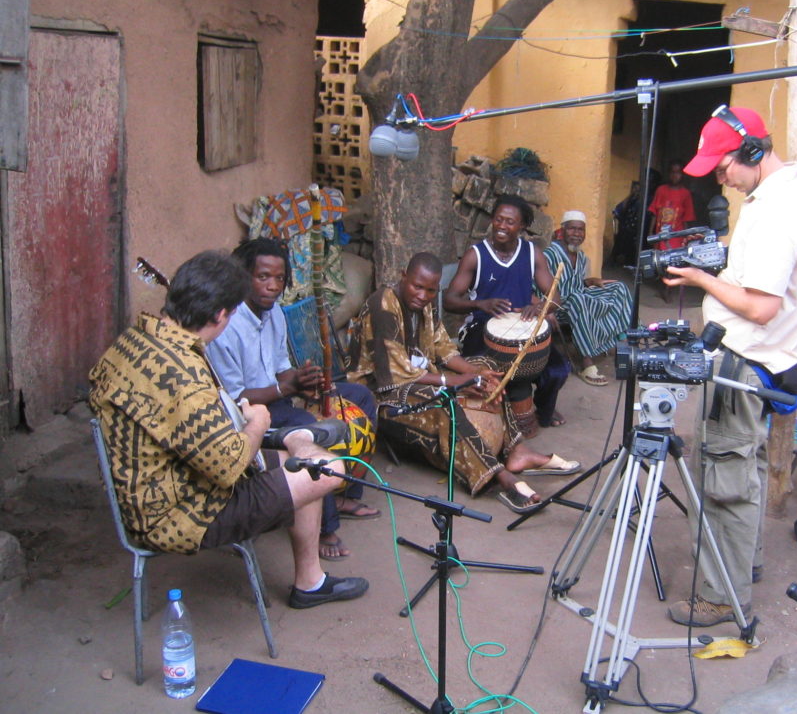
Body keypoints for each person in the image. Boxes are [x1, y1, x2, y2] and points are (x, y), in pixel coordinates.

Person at [89, 251, 368, 608]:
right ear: (221, 314)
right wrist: (258, 423)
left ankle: (310, 582)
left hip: (150, 488)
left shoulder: (132, 342)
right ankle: (300, 442)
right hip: (178, 514)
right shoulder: (184, 375)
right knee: (325, 468)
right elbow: (228, 468)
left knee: (300, 459)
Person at [661, 106, 797, 627]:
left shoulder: (777, 211)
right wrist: (713, 260)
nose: (720, 178)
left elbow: (761, 307)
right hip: (755, 359)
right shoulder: (770, 197)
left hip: (744, 364)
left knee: (724, 482)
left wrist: (701, 280)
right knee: (742, 470)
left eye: (723, 166)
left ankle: (722, 597)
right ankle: (744, 566)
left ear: (751, 151)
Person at [348, 252, 580, 513]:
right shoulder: (383, 306)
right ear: (404, 276)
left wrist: (477, 374)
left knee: (490, 367)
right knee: (445, 400)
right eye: (417, 286)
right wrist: (456, 381)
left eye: (430, 290)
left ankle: (517, 449)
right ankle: (500, 477)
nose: (423, 295)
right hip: (382, 394)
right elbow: (396, 373)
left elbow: (443, 349)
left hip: (420, 377)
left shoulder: (423, 304)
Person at [205, 238, 380, 563]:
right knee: (308, 426)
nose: (273, 286)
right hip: (248, 413)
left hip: (278, 398)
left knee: (361, 397)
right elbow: (234, 396)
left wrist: (305, 383)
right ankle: (325, 528)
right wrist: (288, 389)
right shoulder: (227, 325)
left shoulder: (274, 314)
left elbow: (282, 369)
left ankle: (345, 492)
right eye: (263, 277)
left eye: (279, 278)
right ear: (243, 277)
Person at [444, 194, 571, 433]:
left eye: (510, 222)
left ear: (522, 226)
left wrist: (540, 308)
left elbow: (555, 298)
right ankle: (505, 415)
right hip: (481, 329)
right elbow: (449, 300)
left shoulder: (532, 253)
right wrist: (479, 304)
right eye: (498, 219)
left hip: (523, 328)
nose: (502, 226)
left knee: (558, 370)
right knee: (491, 376)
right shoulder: (476, 255)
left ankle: (542, 410)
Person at [544, 210, 633, 386]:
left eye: (580, 230)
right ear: (562, 230)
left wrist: (591, 281)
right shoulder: (550, 254)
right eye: (572, 229)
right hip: (557, 306)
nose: (576, 234)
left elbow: (575, 282)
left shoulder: (581, 256)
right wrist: (546, 309)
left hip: (579, 297)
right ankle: (586, 363)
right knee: (579, 300)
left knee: (619, 288)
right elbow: (536, 285)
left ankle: (621, 341)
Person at [648, 159, 696, 250]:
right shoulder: (661, 190)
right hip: (660, 236)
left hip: (677, 238)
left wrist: (687, 238)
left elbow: (686, 219)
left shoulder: (685, 194)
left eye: (678, 173)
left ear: (682, 175)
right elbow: (654, 213)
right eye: (672, 172)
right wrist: (650, 232)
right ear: (669, 174)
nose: (675, 175)